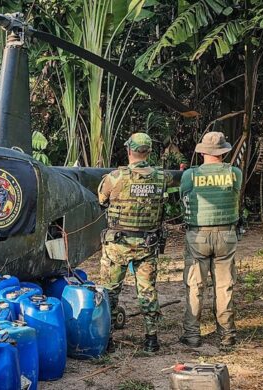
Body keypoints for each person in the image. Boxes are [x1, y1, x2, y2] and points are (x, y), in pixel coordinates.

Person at [98, 132, 169, 353]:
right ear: (148, 152)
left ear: (129, 150)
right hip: (147, 244)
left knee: (110, 291)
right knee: (147, 290)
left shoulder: (115, 177)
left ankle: (107, 340)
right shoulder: (161, 177)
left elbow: (102, 199)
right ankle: (151, 339)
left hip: (118, 245)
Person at [179, 131, 242, 348]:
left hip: (198, 235)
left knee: (195, 285)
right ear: (224, 152)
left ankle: (192, 335)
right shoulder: (235, 173)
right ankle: (227, 335)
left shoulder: (190, 175)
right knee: (224, 285)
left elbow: (183, 197)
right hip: (227, 234)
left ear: (203, 151)